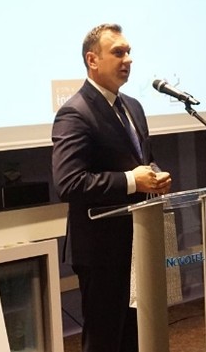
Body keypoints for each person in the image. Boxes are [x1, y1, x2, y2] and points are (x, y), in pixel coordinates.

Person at [51, 23, 172, 352]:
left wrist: (155, 175)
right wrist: (133, 180)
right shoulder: (75, 113)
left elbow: (142, 159)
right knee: (105, 341)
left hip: (139, 241)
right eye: (118, 52)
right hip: (101, 249)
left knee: (136, 338)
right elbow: (69, 183)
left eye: (128, 52)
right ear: (92, 60)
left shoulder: (133, 106)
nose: (127, 59)